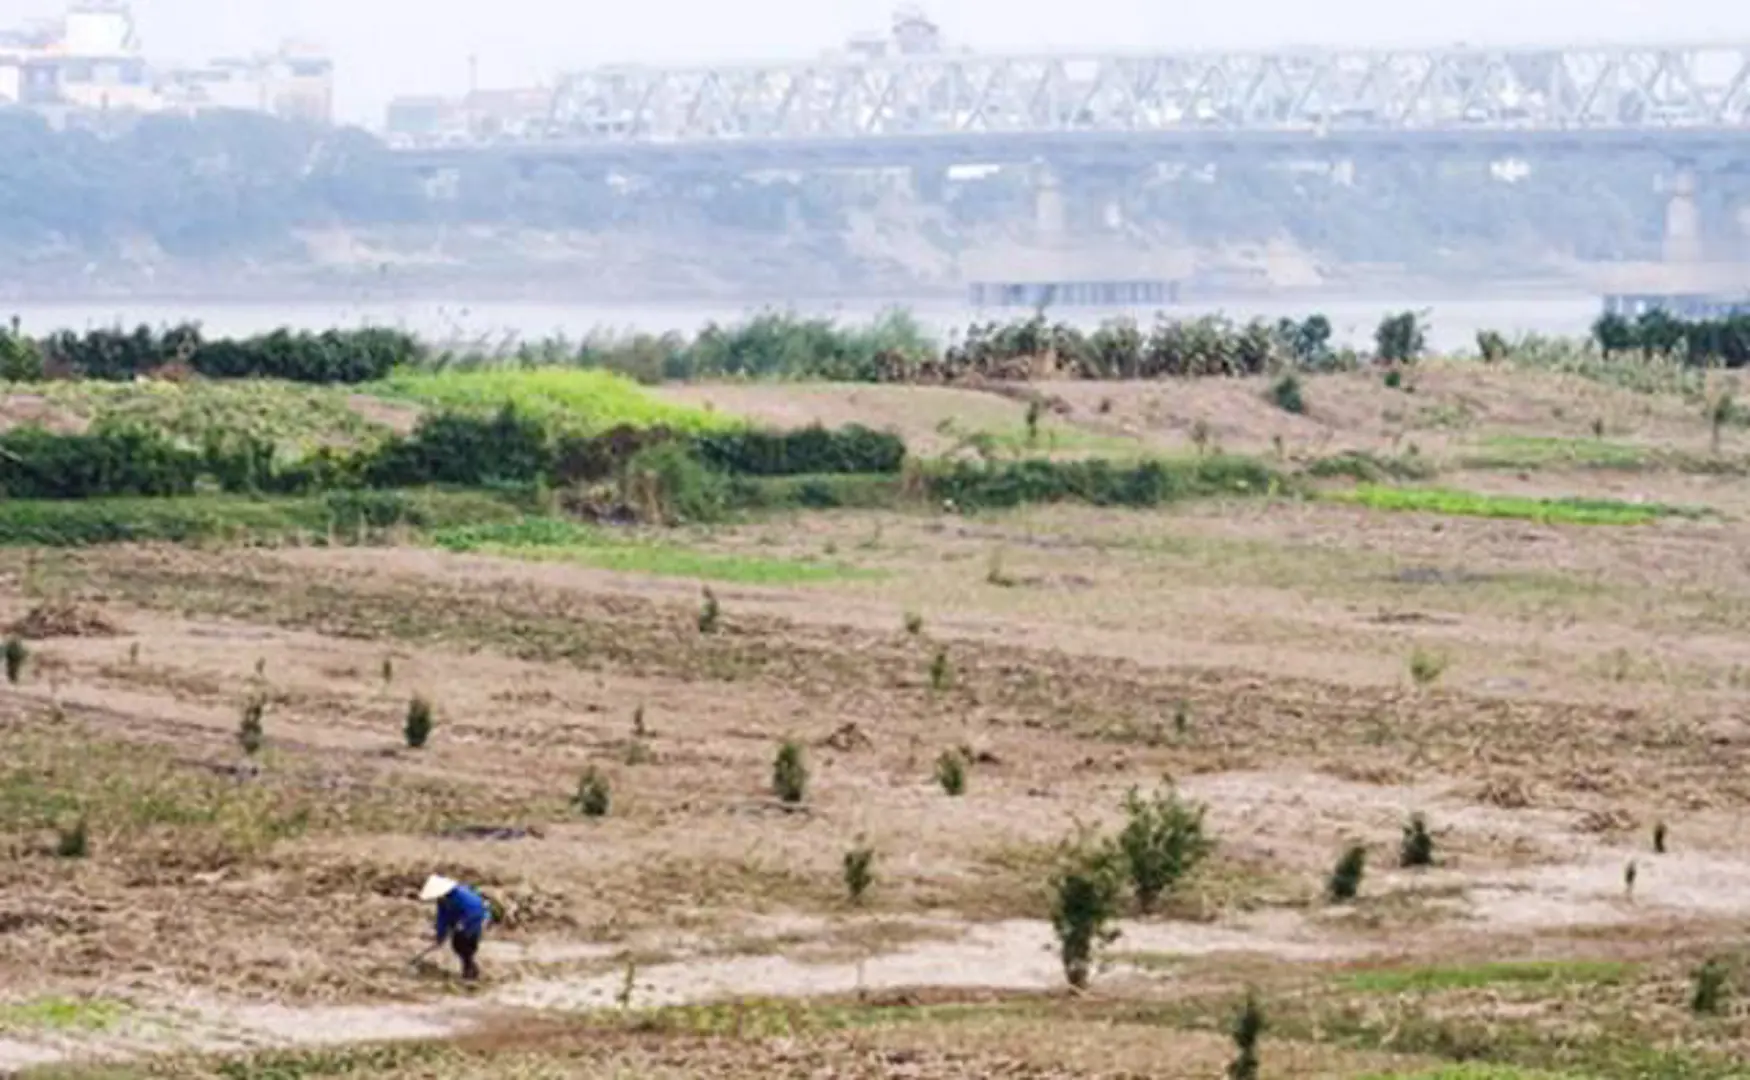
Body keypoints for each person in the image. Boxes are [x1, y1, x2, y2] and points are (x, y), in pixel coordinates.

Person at [420, 874, 488, 981]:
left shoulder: (463, 895)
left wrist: (463, 923)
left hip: (474, 921)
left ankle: (470, 971)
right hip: (459, 923)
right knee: (458, 946)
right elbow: (442, 918)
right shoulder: (442, 901)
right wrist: (440, 935)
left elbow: (475, 911)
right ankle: (469, 969)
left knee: (466, 945)